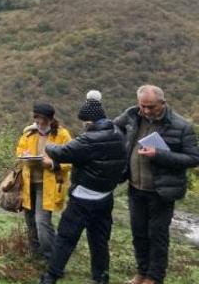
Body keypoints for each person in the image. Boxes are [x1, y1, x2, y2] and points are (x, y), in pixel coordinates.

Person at [113, 85, 199, 284]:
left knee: (157, 236)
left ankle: (154, 277)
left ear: (163, 103)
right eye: (142, 106)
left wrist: (159, 155)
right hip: (136, 188)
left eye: (151, 107)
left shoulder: (180, 125)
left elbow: (193, 158)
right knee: (139, 234)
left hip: (161, 191)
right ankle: (141, 273)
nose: (146, 110)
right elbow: (114, 126)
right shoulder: (133, 115)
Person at [39, 91, 127, 284]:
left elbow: (61, 152)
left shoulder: (89, 140)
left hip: (82, 198)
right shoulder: (118, 134)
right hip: (105, 197)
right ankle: (101, 277)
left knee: (65, 238)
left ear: (88, 122)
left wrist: (47, 146)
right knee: (99, 240)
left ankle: (51, 276)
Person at [16, 102, 72, 263]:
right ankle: (35, 256)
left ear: (50, 119)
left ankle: (51, 259)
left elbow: (71, 160)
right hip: (28, 183)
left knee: (42, 222)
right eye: (37, 120)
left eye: (43, 121)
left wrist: (53, 164)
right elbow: (19, 150)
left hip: (48, 184)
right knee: (30, 221)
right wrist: (24, 154)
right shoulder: (29, 133)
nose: (40, 124)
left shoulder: (62, 135)